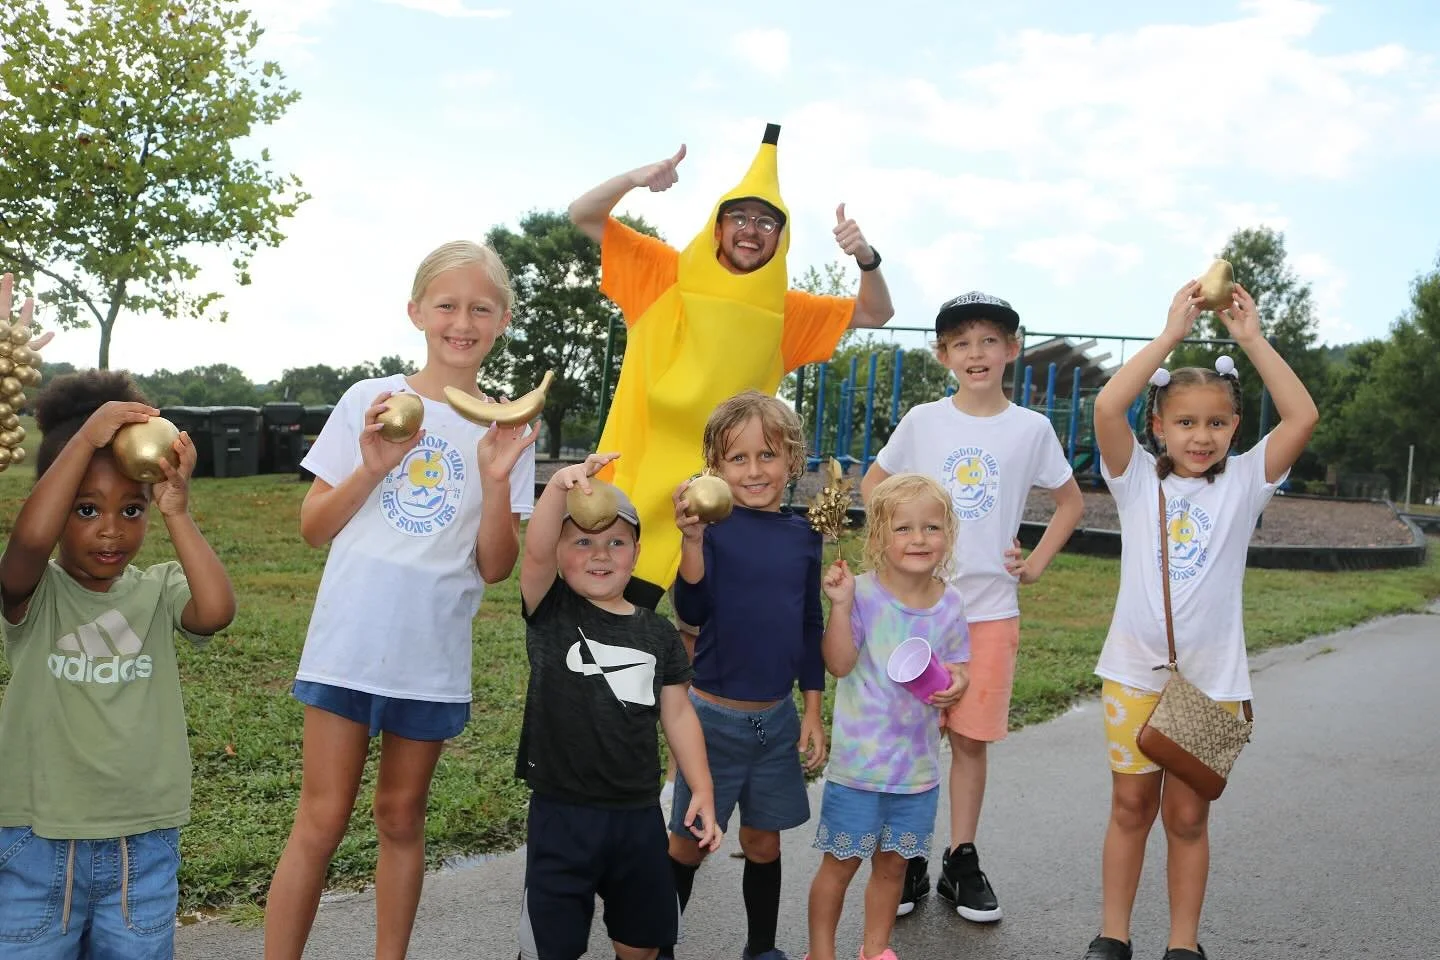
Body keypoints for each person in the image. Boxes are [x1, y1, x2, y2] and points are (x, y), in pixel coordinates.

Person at [263, 241, 539, 960]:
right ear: (416, 312)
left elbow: (496, 565)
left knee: (401, 815)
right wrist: (372, 466)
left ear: (503, 320)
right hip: (348, 643)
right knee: (320, 823)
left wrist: (495, 475)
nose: (462, 321)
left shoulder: (509, 426)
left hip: (429, 652)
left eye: (480, 308)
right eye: (446, 305)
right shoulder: (371, 400)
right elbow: (314, 527)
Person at [1080, 280, 1317, 960]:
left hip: (1211, 684)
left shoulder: (1246, 481)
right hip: (1133, 675)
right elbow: (1105, 405)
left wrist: (1252, 340)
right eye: (1185, 422)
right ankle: (1114, 935)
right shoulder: (1134, 478)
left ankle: (1183, 944)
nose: (1201, 435)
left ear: (1234, 428)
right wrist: (1169, 336)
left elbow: (1301, 418)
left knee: (1188, 816)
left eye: (1216, 422)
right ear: (1158, 426)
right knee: (1131, 810)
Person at [568, 123, 895, 611]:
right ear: (717, 227)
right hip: (639, 481)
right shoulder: (664, 273)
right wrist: (635, 179)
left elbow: (876, 313)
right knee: (615, 621)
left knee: (710, 629)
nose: (750, 230)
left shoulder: (787, 313)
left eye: (766, 223)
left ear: (780, 240)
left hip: (732, 500)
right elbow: (583, 215)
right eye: (738, 216)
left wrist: (866, 259)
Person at [0, 366, 237, 960]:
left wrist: (177, 510)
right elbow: (25, 547)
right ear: (57, 510)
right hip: (37, 839)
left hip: (143, 842)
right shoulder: (37, 593)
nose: (110, 531)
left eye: (132, 510)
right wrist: (82, 442)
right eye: (85, 510)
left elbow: (216, 611)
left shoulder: (156, 590)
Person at [862, 291, 1085, 920]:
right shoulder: (924, 422)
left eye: (989, 340)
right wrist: (894, 556)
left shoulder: (1030, 429)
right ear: (944, 356)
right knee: (911, 736)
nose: (976, 353)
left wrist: (1035, 564)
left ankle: (961, 858)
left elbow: (1070, 503)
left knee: (969, 740)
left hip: (988, 614)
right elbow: (874, 485)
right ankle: (905, 856)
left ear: (1011, 349)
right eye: (961, 343)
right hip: (919, 615)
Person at [516, 452, 720, 960]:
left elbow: (677, 714)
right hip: (560, 813)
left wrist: (703, 786)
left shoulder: (657, 633)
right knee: (554, 947)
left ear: (635, 551)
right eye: (582, 540)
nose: (600, 554)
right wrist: (560, 488)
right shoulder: (551, 610)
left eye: (615, 542)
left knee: (641, 944)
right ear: (561, 554)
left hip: (635, 815)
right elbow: (535, 553)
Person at [660, 389, 828, 960]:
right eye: (738, 458)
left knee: (763, 841)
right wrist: (692, 540)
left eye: (768, 455)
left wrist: (811, 709)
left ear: (791, 459)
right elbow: (694, 609)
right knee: (687, 846)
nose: (755, 470)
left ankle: (761, 949)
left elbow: (810, 625)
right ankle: (655, 944)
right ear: (716, 466)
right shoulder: (713, 529)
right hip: (712, 720)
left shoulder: (805, 537)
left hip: (776, 721)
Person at [808, 473, 970, 960]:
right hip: (859, 769)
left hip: (916, 771)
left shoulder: (952, 603)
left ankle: (875, 950)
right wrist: (839, 608)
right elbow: (837, 663)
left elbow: (958, 666)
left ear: (948, 536)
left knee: (894, 867)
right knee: (839, 865)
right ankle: (821, 952)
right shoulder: (860, 593)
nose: (919, 538)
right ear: (878, 537)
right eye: (903, 528)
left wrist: (957, 684)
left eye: (931, 527)